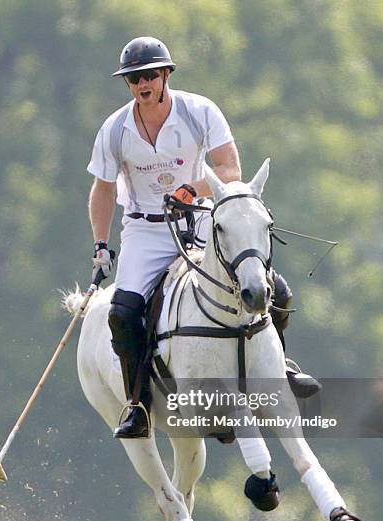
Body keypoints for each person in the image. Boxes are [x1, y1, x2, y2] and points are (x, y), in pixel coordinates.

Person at [87, 36, 319, 439]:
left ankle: (281, 365)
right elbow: (102, 189)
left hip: (201, 221)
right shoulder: (115, 129)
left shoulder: (199, 111)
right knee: (123, 314)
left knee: (274, 289)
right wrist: (101, 245)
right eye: (133, 79)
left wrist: (192, 190)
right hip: (144, 230)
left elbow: (229, 169)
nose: (141, 84)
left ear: (165, 75)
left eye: (148, 76)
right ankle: (138, 403)